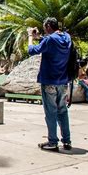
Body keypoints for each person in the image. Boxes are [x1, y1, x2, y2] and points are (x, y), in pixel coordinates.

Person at [28, 17, 72, 152]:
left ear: (48, 26)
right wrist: (40, 37)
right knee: (63, 111)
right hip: (63, 81)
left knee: (51, 112)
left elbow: (32, 51)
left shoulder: (49, 40)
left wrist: (30, 36)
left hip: (49, 81)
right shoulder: (67, 37)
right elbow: (51, 42)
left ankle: (52, 141)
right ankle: (67, 141)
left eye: (44, 27)